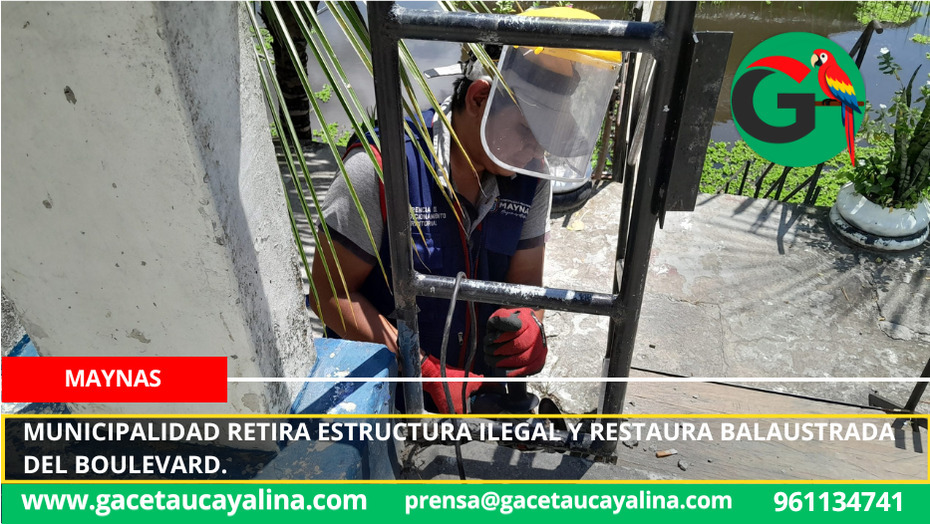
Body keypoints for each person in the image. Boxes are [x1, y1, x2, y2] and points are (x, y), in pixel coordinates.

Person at [309, 7, 622, 414]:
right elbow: (329, 294)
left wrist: (529, 324)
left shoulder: (530, 176)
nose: (536, 151)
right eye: (529, 131)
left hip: (476, 395)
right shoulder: (381, 168)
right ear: (479, 98)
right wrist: (424, 372)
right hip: (383, 399)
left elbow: (526, 282)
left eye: (547, 137)